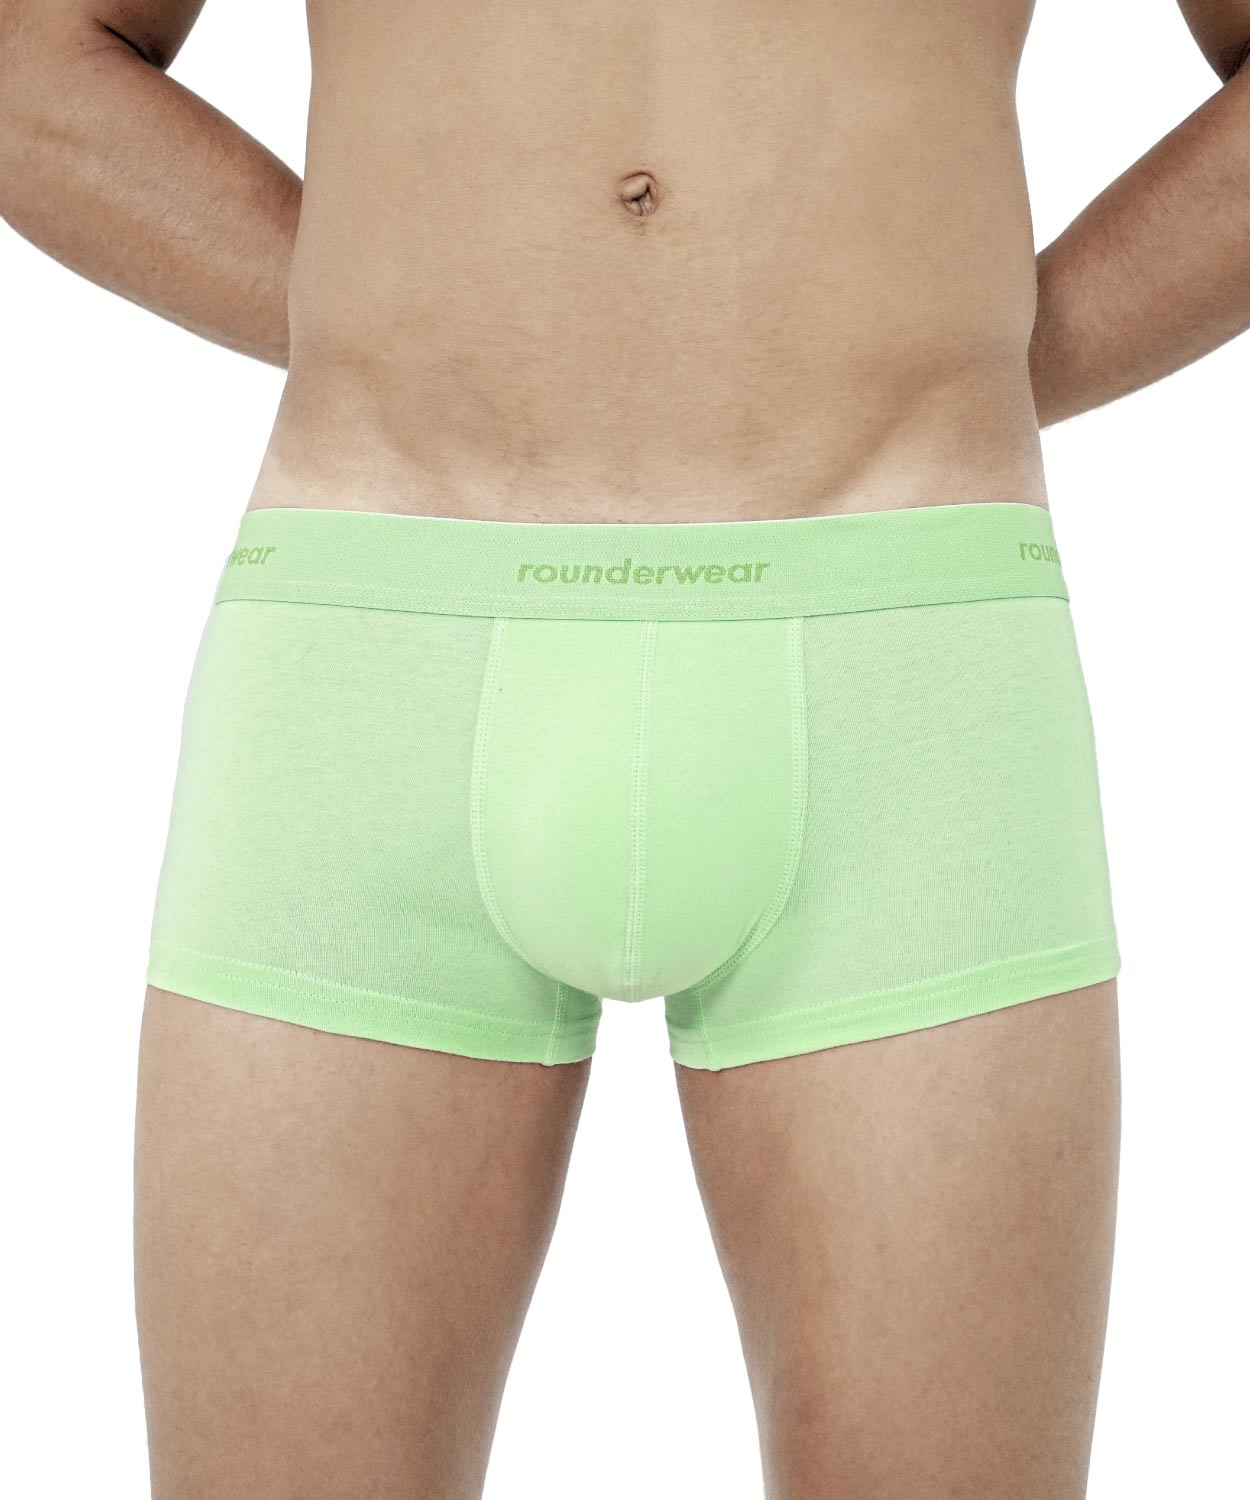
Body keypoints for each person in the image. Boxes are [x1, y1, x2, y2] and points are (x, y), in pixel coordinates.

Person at [2, 1, 1248, 1495]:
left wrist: (987, 349)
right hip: (382, 648)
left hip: (899, 659)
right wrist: (408, 309)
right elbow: (33, 66)